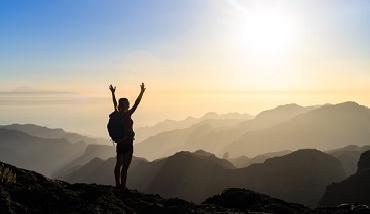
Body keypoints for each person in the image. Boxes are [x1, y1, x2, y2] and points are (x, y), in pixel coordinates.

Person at [109, 83, 146, 190]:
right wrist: (142, 92)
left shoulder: (117, 113)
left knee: (119, 165)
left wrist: (113, 93)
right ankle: (122, 187)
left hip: (121, 143)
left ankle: (118, 185)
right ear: (127, 105)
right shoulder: (128, 114)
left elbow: (115, 104)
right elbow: (136, 104)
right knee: (125, 166)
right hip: (128, 143)